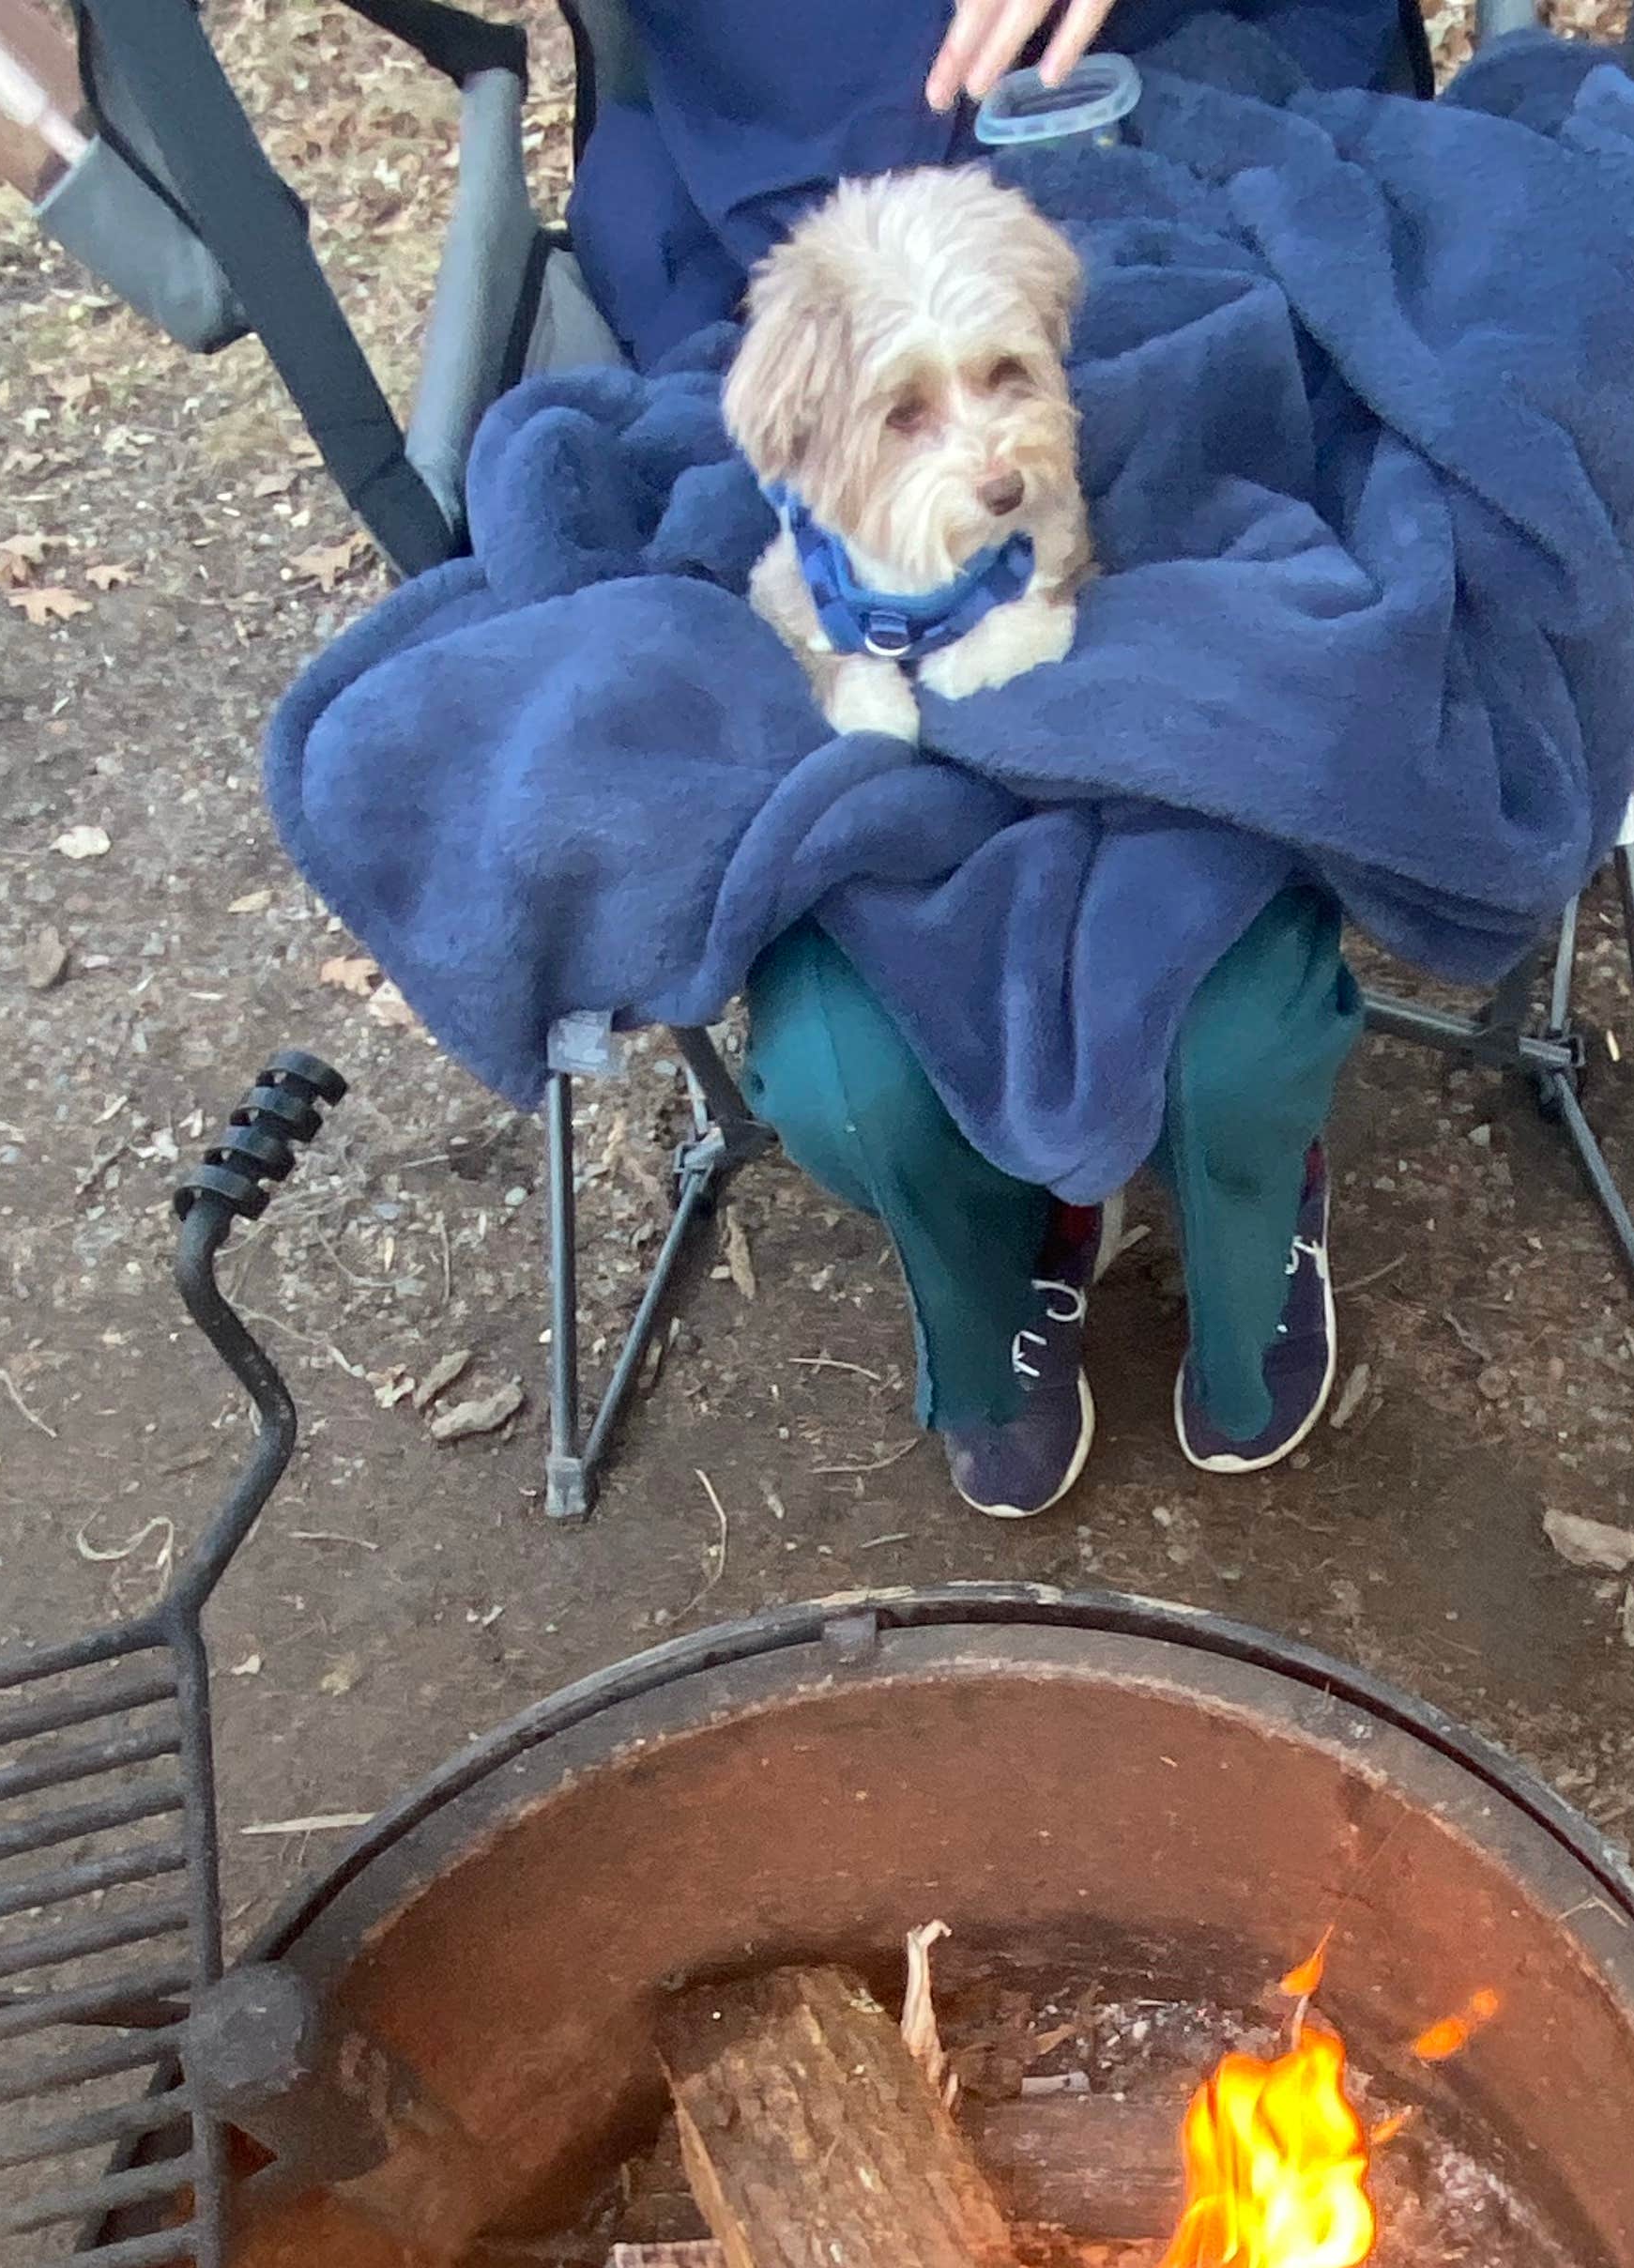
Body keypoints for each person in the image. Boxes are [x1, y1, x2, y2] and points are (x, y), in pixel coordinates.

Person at [566, 0, 1404, 1518]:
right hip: (773, 132)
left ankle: (1255, 1226)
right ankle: (1000, 1259)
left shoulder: (1041, 357)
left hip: (1169, 107)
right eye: (919, 412)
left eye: (1009, 389)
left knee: (1236, 1036)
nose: (996, 457)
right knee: (844, 1082)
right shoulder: (785, 362)